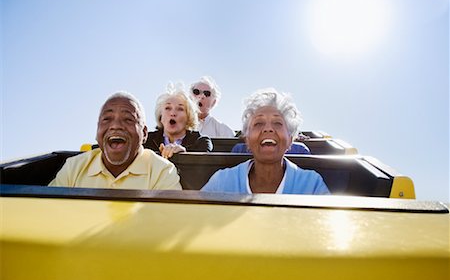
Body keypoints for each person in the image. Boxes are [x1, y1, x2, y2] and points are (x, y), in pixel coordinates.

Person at [201, 88, 330, 195]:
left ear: (290, 140)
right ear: (247, 140)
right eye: (258, 123)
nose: (268, 129)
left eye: (278, 123)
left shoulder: (312, 184)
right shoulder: (222, 181)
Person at [49, 91, 182, 190]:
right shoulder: (73, 168)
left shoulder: (162, 172)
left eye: (128, 119)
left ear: (144, 134)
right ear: (97, 131)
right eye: (107, 119)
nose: (116, 126)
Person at [144, 83, 213, 158]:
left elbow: (202, 162)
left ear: (189, 116)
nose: (173, 113)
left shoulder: (201, 141)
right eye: (168, 108)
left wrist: (184, 153)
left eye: (180, 109)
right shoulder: (146, 140)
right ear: (161, 115)